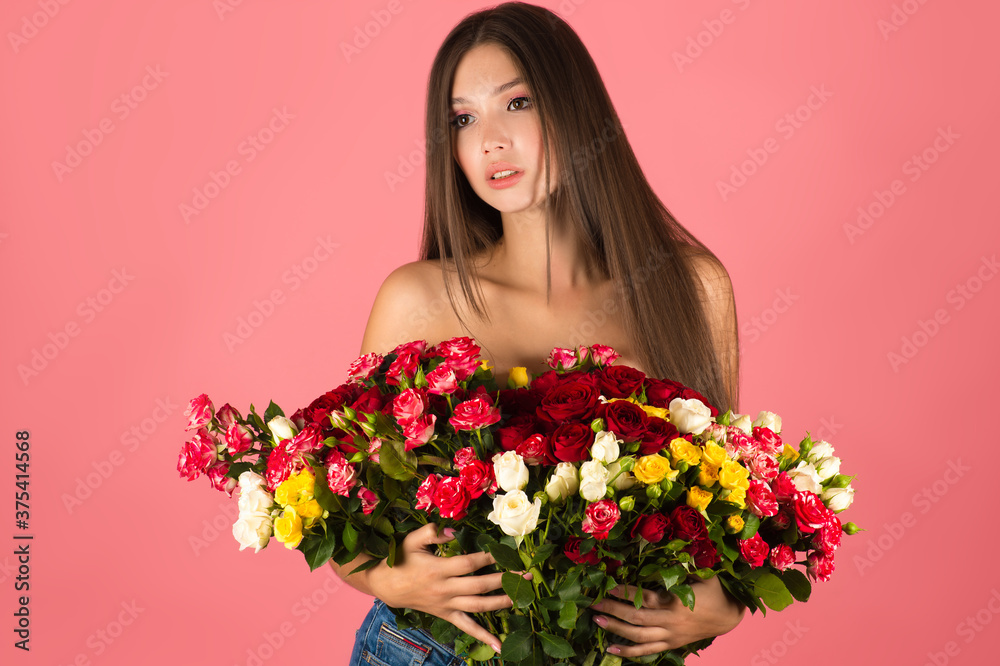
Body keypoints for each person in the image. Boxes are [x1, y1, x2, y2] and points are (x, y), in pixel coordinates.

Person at [338, 3, 744, 664]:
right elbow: (343, 509)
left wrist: (720, 609)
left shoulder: (692, 289)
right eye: (462, 120)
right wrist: (391, 577)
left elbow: (724, 504)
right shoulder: (417, 298)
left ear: (576, 108)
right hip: (427, 650)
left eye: (517, 104)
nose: (490, 140)